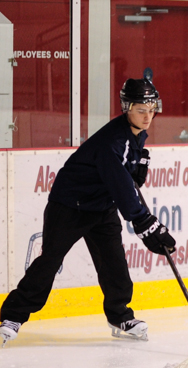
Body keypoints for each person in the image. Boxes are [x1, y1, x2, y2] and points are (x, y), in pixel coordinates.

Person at [0, 77, 176, 345]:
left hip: (102, 207)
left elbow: (124, 179)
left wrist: (135, 167)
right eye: (141, 110)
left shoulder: (134, 135)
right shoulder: (113, 141)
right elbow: (122, 189)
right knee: (49, 263)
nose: (148, 116)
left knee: (114, 264)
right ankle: (11, 316)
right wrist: (146, 223)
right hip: (70, 205)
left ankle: (119, 316)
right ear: (126, 107)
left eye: (152, 110)